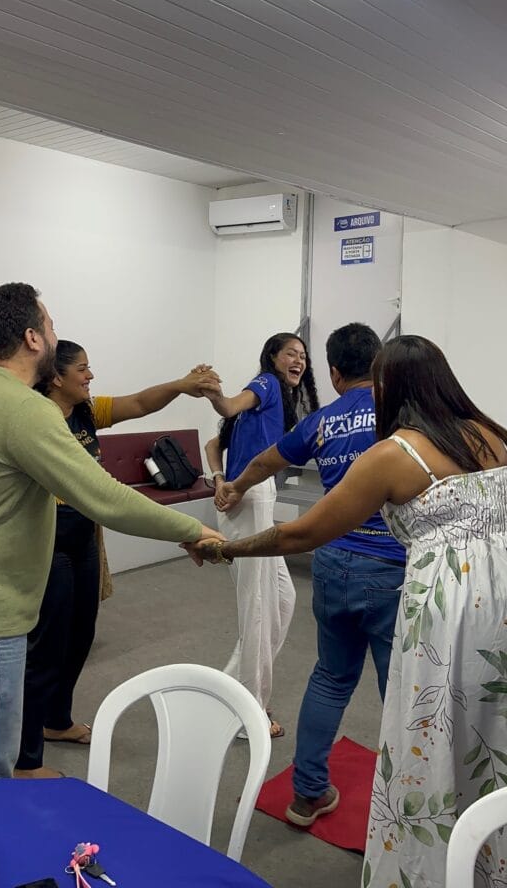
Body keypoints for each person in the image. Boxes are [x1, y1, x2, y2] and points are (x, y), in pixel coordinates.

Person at [186, 335, 507, 888]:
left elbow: (291, 512)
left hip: (369, 575)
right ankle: (471, 815)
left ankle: (311, 794)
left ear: (341, 373)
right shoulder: (493, 435)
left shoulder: (373, 440)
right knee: (458, 703)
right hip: (478, 595)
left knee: (353, 684)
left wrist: (228, 530)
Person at [0, 283, 221, 804]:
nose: (54, 334)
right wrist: (192, 529)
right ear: (32, 338)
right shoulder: (24, 409)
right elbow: (104, 496)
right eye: (50, 326)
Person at [215, 323, 404, 826]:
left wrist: (233, 486)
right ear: (380, 366)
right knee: (400, 689)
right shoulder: (400, 414)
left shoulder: (323, 420)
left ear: (335, 373)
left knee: (330, 678)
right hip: (390, 569)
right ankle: (406, 810)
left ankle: (307, 793)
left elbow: (265, 461)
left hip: (333, 562)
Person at [15, 340, 221, 778]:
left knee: (81, 634)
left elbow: (140, 403)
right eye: (82, 369)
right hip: (49, 538)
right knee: (47, 648)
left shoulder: (87, 411)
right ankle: (25, 760)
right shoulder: (37, 417)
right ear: (56, 377)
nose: (90, 376)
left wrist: (182, 385)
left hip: (83, 536)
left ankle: (56, 720)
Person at [203, 332, 319, 737]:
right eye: (291, 353)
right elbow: (228, 406)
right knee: (257, 611)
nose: (299, 361)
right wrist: (214, 395)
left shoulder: (274, 404)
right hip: (249, 497)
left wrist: (219, 478)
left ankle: (227, 689)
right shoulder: (267, 384)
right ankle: (248, 713)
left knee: (283, 600)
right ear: (272, 357)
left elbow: (213, 444)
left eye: (303, 356)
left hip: (251, 495)